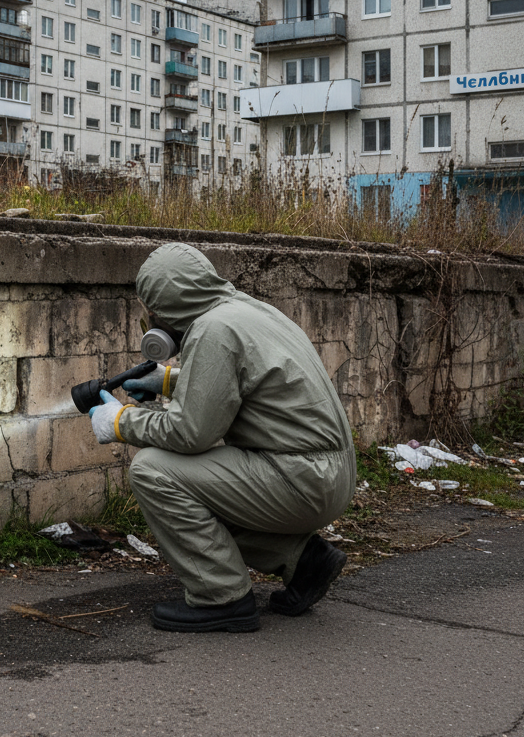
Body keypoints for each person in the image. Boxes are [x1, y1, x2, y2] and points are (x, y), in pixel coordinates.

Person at [88, 242, 356, 632]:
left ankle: (222, 597)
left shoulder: (212, 330)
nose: (151, 320)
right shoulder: (247, 310)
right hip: (325, 473)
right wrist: (167, 381)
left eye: (151, 310)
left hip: (304, 478)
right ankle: (303, 561)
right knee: (201, 487)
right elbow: (239, 381)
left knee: (154, 471)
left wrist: (119, 422)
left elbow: (189, 433)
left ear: (165, 306)